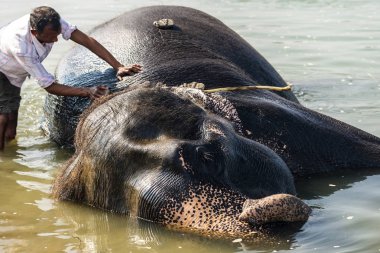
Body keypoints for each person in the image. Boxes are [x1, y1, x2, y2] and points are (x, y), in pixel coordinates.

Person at [0, 6, 142, 150]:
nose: (55, 40)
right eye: (50, 36)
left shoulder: (51, 21)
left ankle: (9, 154)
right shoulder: (22, 48)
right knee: (4, 118)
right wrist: (87, 91)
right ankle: (3, 163)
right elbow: (49, 86)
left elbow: (86, 40)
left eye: (57, 34)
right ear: (35, 32)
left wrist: (117, 66)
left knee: (11, 128)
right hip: (3, 70)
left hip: (16, 71)